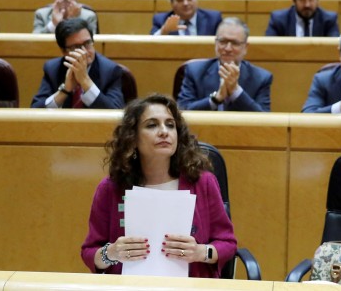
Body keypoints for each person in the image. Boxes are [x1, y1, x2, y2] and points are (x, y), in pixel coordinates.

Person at [80, 93, 237, 277]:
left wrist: (202, 252)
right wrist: (111, 253)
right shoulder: (111, 188)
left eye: (170, 125)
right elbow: (89, 251)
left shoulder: (202, 182)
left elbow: (228, 244)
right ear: (133, 138)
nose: (164, 131)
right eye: (152, 125)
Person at [178, 18, 272, 111]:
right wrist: (216, 98)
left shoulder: (261, 78)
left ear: (245, 47)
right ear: (216, 43)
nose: (228, 48)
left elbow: (264, 118)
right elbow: (182, 111)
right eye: (223, 42)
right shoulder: (194, 71)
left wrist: (236, 91)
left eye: (235, 43)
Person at [31, 18, 124, 109]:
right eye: (76, 47)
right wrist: (65, 91)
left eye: (87, 43)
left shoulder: (110, 70)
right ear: (64, 51)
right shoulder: (53, 69)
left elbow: (115, 112)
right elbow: (35, 110)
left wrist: (85, 81)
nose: (84, 52)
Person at [150, 0, 222, 36]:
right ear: (171, 3)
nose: (185, 3)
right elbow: (150, 45)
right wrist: (163, 32)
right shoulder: (161, 20)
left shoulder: (213, 19)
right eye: (180, 0)